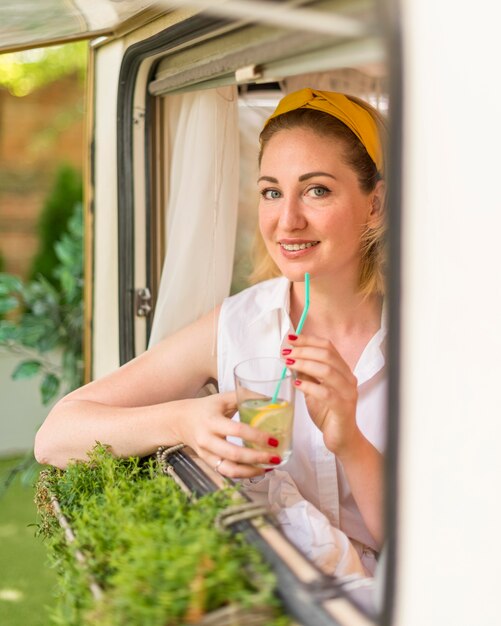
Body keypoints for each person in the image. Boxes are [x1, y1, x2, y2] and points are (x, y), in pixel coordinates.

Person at [35, 88, 388, 576]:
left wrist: (348, 439)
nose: (287, 221)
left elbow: (423, 539)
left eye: (317, 190)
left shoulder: (433, 339)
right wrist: (185, 421)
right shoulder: (238, 326)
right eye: (271, 192)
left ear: (376, 204)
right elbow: (55, 434)